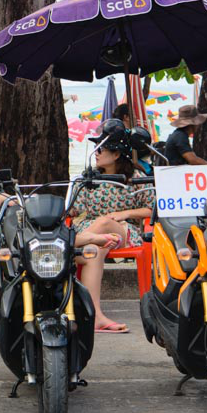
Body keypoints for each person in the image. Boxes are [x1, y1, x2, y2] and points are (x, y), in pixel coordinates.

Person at [70, 120, 155, 333]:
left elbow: (153, 209)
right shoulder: (90, 178)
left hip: (122, 230)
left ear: (116, 154)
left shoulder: (136, 179)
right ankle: (95, 316)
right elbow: (72, 211)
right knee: (93, 252)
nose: (96, 153)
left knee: (106, 221)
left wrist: (125, 214)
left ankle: (69, 244)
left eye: (101, 149)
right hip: (94, 233)